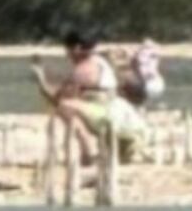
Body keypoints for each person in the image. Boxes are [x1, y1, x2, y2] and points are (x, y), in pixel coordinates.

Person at [32, 30, 128, 165]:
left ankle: (88, 150)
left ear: (76, 48)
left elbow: (57, 99)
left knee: (64, 106)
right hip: (107, 109)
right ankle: (89, 151)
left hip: (104, 113)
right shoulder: (97, 62)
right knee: (67, 106)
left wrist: (41, 81)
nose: (67, 55)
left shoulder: (85, 69)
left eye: (68, 50)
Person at [117, 39, 165, 107]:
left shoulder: (145, 58)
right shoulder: (151, 57)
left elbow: (140, 61)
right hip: (152, 84)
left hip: (150, 84)